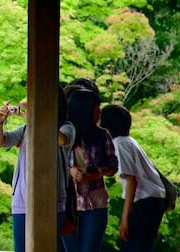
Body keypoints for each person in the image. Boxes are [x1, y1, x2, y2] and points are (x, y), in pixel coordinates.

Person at [0, 87, 76, 252]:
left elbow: (60, 140)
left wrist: (33, 117)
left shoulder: (67, 127)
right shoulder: (26, 129)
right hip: (22, 200)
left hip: (52, 199)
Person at [99, 105, 167, 252]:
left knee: (132, 247)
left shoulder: (120, 144)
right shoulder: (129, 141)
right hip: (154, 200)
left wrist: (125, 219)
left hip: (145, 202)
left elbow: (131, 182)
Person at [63, 89, 118, 252]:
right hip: (68, 204)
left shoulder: (102, 135)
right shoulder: (65, 134)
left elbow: (113, 165)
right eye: (96, 108)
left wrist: (95, 173)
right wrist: (70, 171)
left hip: (95, 202)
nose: (100, 112)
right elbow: (51, 164)